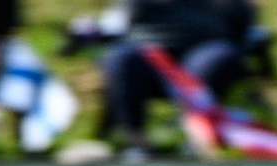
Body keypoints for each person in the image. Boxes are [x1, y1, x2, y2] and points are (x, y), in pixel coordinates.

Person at [102, 0, 255, 157]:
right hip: (148, 51)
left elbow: (241, 19)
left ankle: (199, 137)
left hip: (204, 47)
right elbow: (117, 22)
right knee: (121, 59)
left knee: (216, 59)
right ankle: (136, 141)